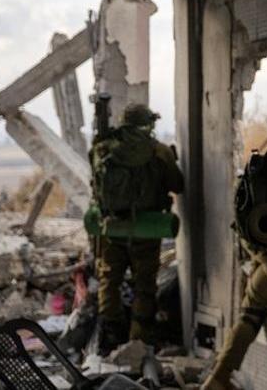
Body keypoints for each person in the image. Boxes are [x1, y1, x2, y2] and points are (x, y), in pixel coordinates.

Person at [202, 108, 267, 390]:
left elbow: (243, 221)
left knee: (249, 316)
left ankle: (219, 376)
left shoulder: (262, 168)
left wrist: (263, 258)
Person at [90, 103, 185, 354]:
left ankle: (111, 336)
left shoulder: (103, 148)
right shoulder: (159, 151)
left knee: (109, 279)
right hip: (146, 227)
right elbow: (178, 185)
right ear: (148, 124)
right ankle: (138, 340)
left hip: (113, 227)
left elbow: (95, 184)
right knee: (145, 285)